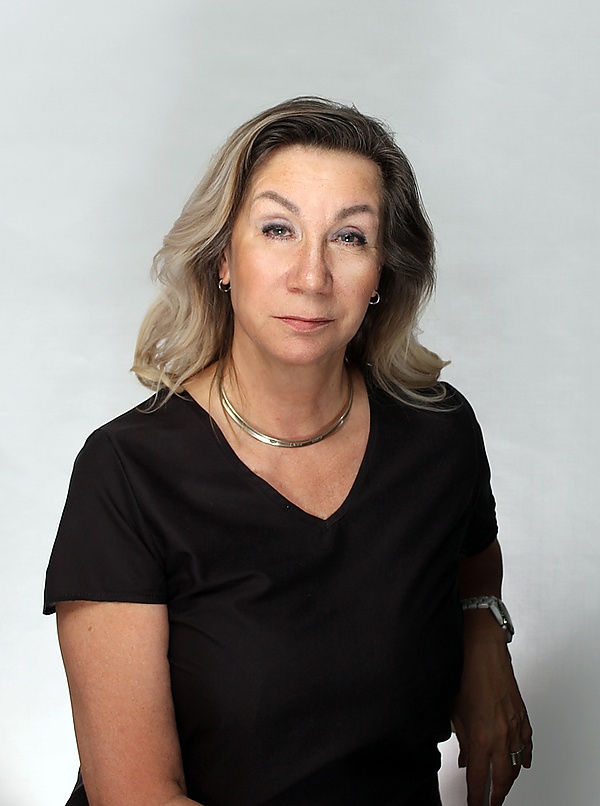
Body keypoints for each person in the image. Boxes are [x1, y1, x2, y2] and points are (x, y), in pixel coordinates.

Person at [44, 96, 532, 806]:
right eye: (278, 229)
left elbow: (472, 556)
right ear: (222, 257)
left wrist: (483, 628)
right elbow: (138, 796)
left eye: (350, 238)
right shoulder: (127, 472)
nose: (311, 276)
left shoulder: (439, 434)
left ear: (381, 274)